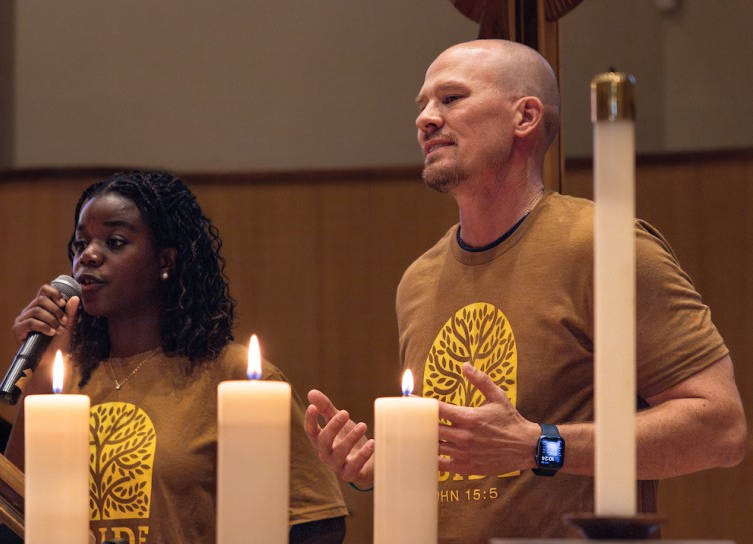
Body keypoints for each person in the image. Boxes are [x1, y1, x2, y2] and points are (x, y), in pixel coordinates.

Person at [303, 39, 747, 543]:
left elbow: (720, 430)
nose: (425, 118)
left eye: (450, 99)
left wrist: (540, 446)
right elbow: (470, 470)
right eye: (422, 105)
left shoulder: (602, 246)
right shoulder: (418, 279)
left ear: (525, 117)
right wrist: (388, 464)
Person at [4, 170, 348, 544]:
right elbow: (10, 508)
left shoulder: (237, 378)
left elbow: (318, 524)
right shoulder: (61, 380)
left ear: (164, 260)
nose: (88, 255)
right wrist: (40, 370)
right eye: (80, 244)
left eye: (115, 241)